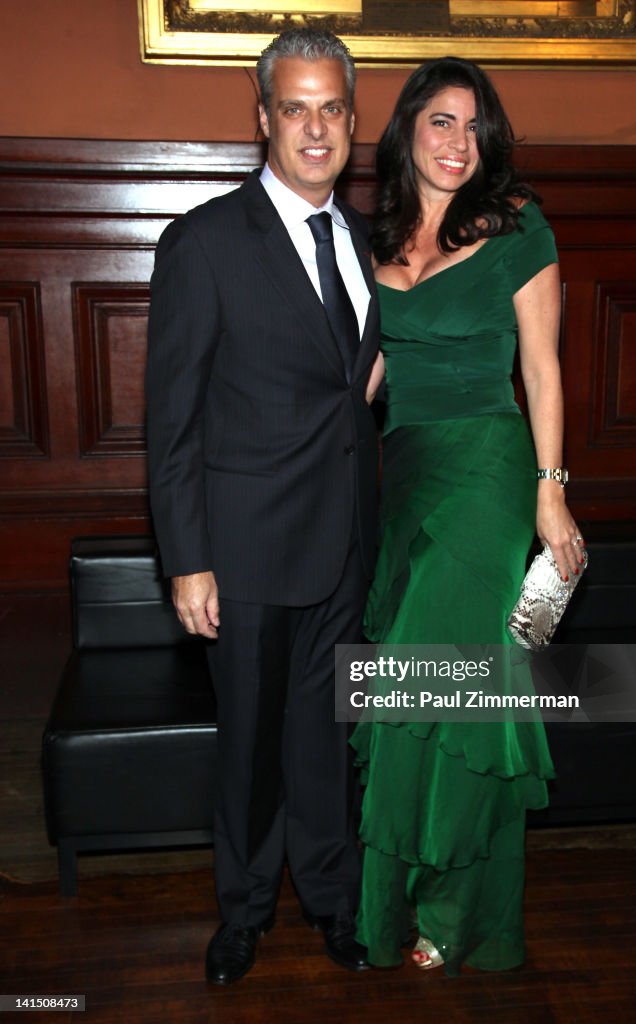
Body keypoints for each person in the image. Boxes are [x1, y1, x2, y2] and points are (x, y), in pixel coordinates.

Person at [145, 27, 382, 985]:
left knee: (328, 737)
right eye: (295, 108)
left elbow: (351, 378)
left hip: (346, 540)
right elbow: (172, 423)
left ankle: (331, 902)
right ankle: (241, 915)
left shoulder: (367, 240)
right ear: (263, 120)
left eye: (331, 108)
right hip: (241, 550)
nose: (314, 127)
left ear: (353, 121)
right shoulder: (203, 241)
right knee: (247, 747)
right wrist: (185, 558)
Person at [350, 57, 585, 975]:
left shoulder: (519, 226)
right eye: (440, 122)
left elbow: (541, 368)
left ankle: (450, 906)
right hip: (402, 479)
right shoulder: (373, 240)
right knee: (412, 686)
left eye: (473, 126)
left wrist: (551, 488)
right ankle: (395, 896)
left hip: (488, 473)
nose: (459, 142)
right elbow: (363, 382)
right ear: (407, 130)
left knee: (451, 687)